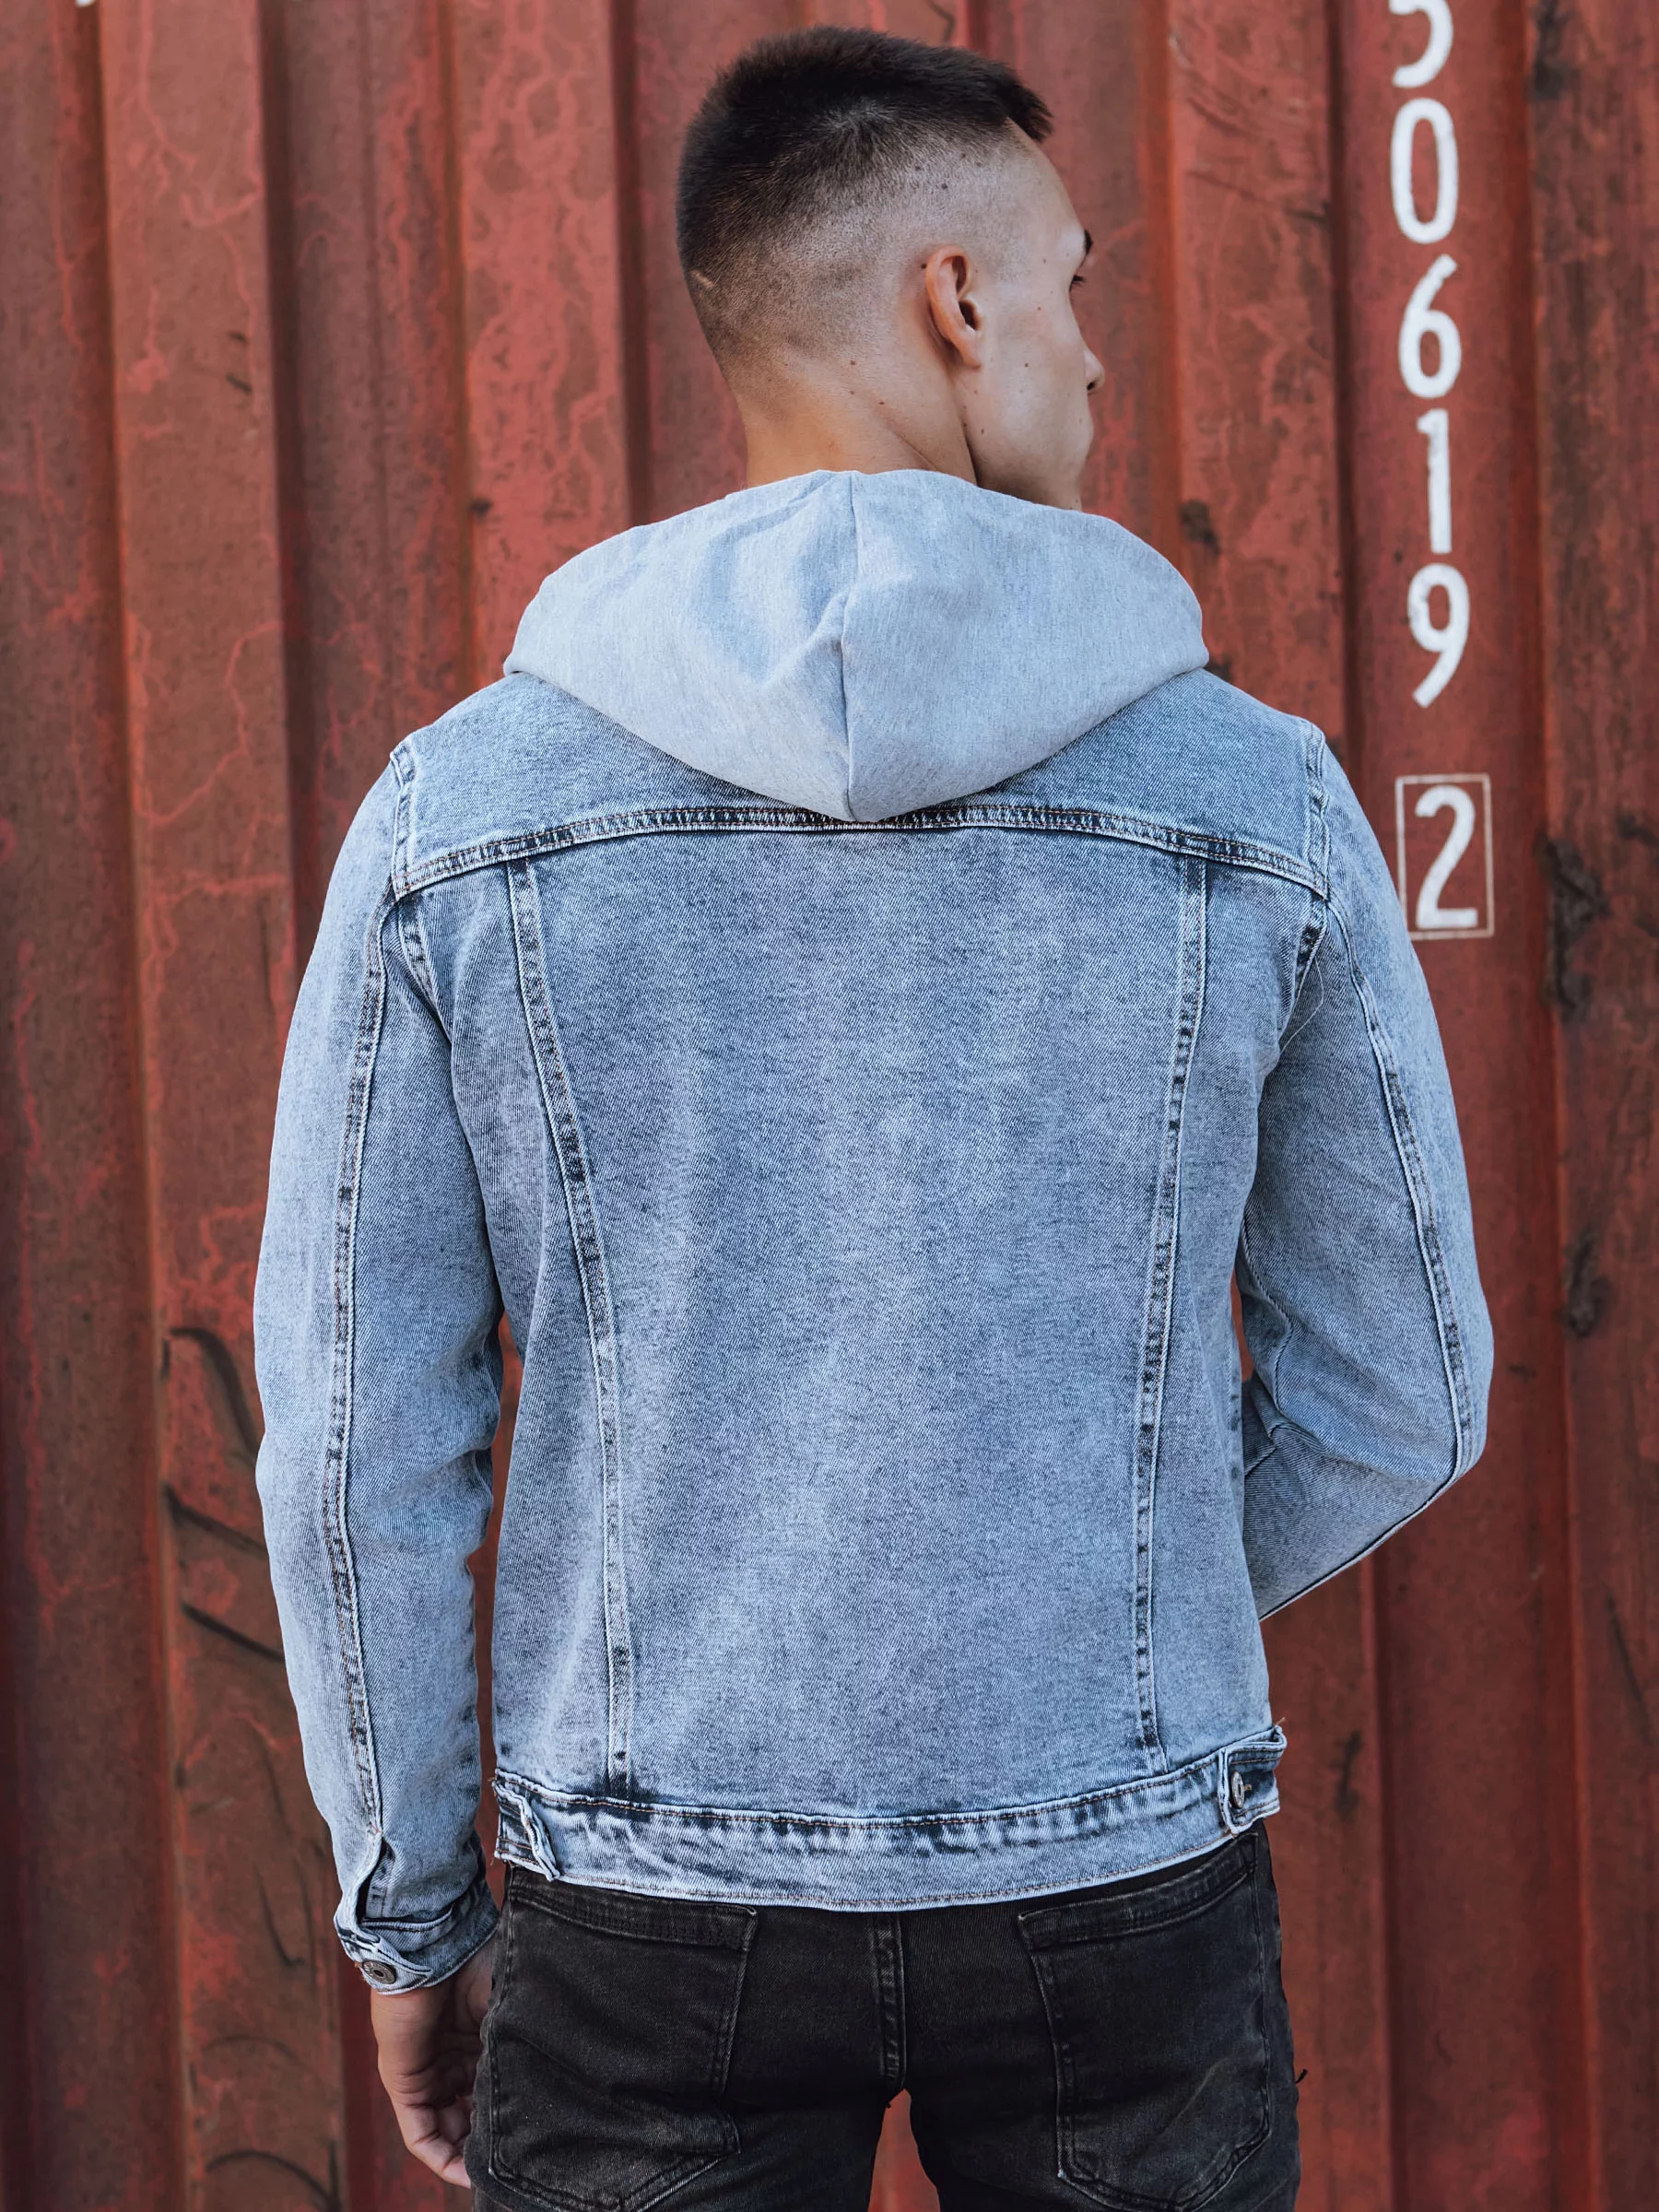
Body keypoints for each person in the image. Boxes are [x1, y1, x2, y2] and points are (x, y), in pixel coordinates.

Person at [254, 27, 1490, 2211]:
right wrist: (1091, 1594)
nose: (1091, 361)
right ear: (959, 302)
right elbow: (1405, 1389)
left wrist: (411, 1918)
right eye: (1075, 288)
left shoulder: (463, 813)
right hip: (1125, 1872)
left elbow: (357, 1446)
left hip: (646, 1903)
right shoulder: (1256, 800)